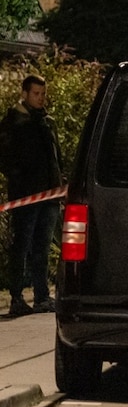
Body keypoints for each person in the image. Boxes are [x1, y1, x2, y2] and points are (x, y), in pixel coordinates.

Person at [0, 75, 63, 317]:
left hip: (49, 195)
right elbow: (5, 158)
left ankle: (41, 296)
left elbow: (55, 156)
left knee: (42, 247)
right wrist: (20, 179)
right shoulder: (13, 123)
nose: (40, 98)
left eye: (43, 94)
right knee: (21, 245)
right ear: (25, 93)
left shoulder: (47, 122)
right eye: (36, 94)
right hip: (26, 196)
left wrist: (59, 183)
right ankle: (17, 297)